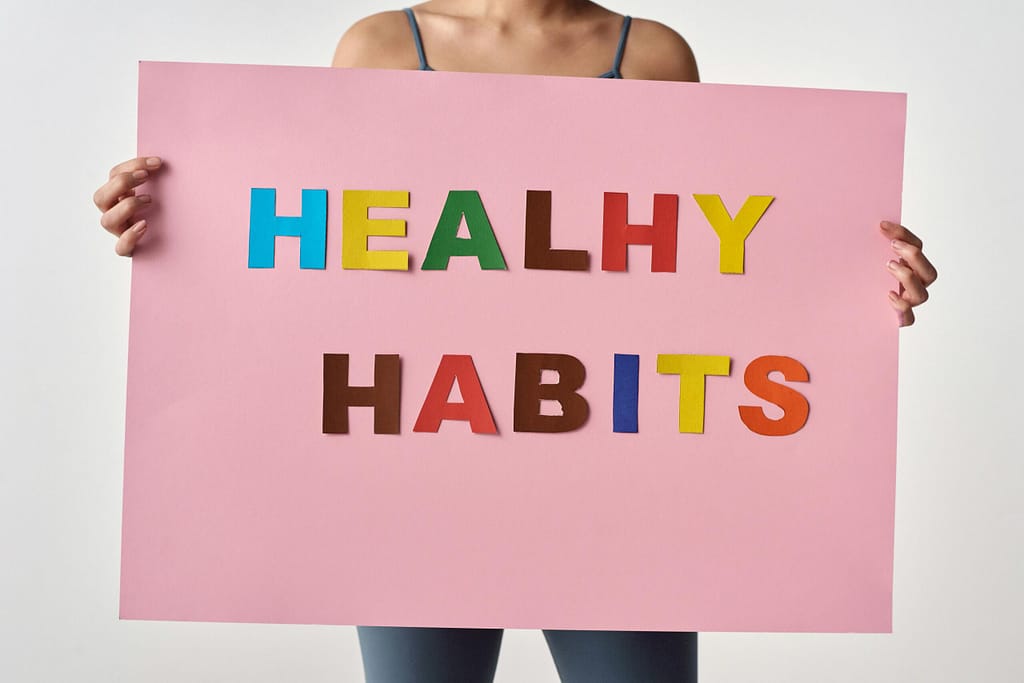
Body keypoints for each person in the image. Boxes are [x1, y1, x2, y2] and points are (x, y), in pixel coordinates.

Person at [91, 2, 938, 681]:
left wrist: (852, 289)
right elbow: (331, 251)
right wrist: (182, 220)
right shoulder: (381, 45)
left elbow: (697, 260)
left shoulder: (651, 55)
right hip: (421, 460)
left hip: (610, 460)